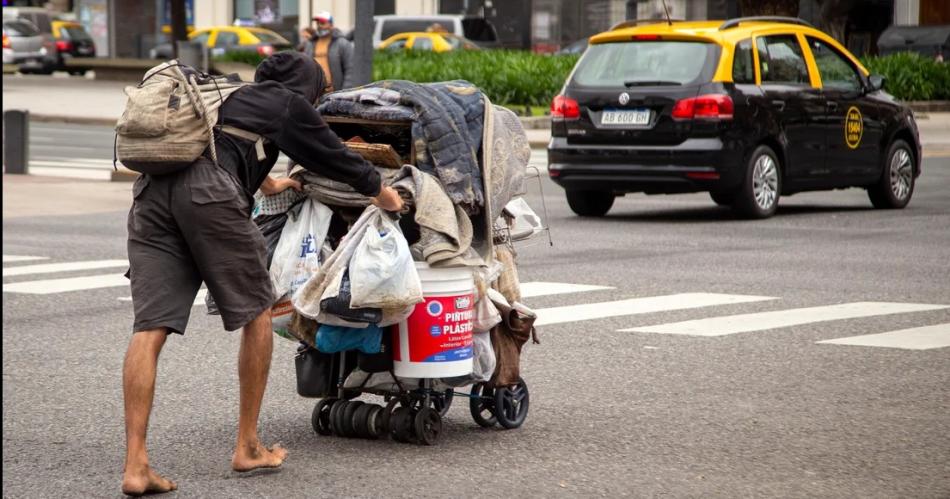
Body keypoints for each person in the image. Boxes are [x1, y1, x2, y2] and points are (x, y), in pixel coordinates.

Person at [120, 51, 403, 496]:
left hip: (152, 196)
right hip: (208, 196)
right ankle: (248, 445)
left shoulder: (232, 95)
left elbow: (226, 146)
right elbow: (335, 158)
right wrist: (383, 194)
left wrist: (270, 183)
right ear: (308, 87)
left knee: (149, 328)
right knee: (258, 313)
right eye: (319, 90)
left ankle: (136, 466)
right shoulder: (288, 103)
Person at [302, 11, 355, 92]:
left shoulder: (342, 43)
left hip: (335, 92)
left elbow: (350, 70)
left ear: (331, 25)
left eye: (323, 23)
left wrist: (345, 91)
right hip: (315, 93)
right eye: (318, 23)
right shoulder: (310, 44)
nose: (319, 26)